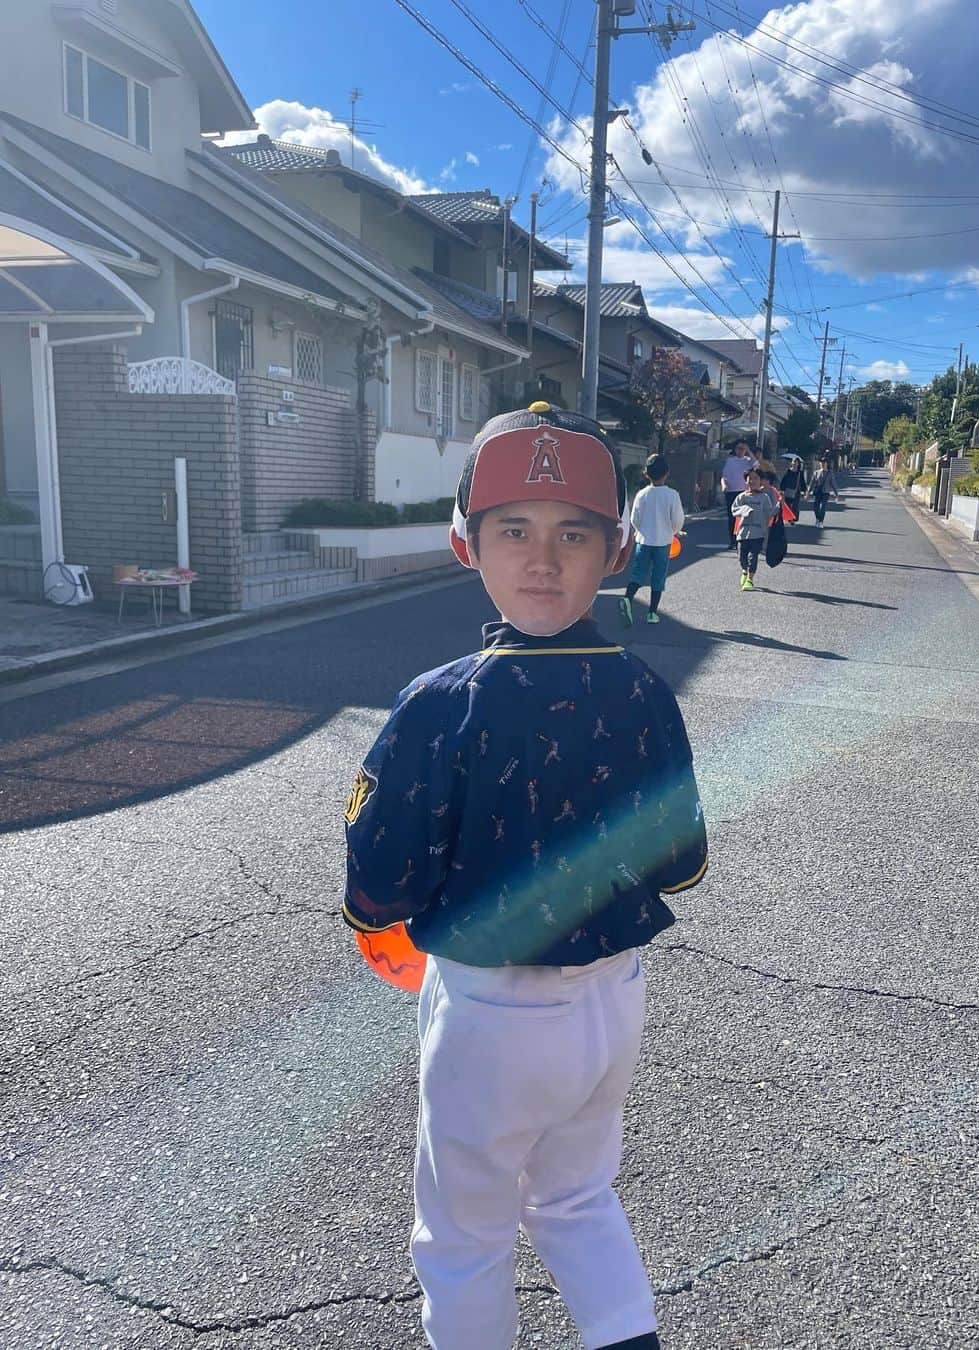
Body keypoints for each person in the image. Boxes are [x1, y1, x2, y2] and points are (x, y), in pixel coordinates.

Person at [342, 402, 709, 1350]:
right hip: (611, 1002)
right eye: (518, 531)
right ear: (472, 544)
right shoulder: (641, 690)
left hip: (489, 1007)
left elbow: (380, 882)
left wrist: (383, 916)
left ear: (612, 549)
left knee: (464, 1233)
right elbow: (682, 862)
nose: (543, 560)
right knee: (579, 1196)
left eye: (570, 534)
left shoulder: (438, 704)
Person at [620, 454, 685, 626]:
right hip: (663, 542)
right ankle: (652, 613)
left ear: (646, 474)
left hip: (643, 540)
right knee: (658, 577)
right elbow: (677, 520)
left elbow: (634, 519)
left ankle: (627, 598)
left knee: (638, 573)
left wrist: (641, 531)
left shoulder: (642, 494)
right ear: (667, 473)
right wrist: (674, 531)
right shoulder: (672, 495)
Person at [731, 466, 776, 591]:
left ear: (760, 480)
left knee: (753, 556)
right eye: (750, 478)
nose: (753, 481)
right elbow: (734, 510)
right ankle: (744, 571)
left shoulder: (764, 497)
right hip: (742, 532)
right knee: (741, 557)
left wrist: (778, 506)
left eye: (756, 478)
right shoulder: (741, 497)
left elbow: (769, 513)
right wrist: (744, 510)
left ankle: (750, 580)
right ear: (746, 480)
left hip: (758, 532)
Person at [720, 441, 755, 549]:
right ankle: (733, 541)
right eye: (738, 448)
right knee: (732, 518)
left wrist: (749, 451)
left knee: (744, 517)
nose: (740, 451)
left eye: (743, 448)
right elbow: (724, 476)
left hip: (744, 492)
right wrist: (723, 485)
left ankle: (743, 539)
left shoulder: (748, 461)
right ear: (735, 449)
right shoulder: (730, 461)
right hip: (731, 492)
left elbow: (757, 465)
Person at [809, 456, 840, 525]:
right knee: (815, 508)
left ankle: (820, 521)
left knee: (823, 507)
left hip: (825, 492)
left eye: (824, 463)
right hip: (818, 492)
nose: (822, 464)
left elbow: (833, 484)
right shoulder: (816, 472)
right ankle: (818, 518)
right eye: (821, 463)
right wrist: (808, 492)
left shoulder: (830, 473)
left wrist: (836, 494)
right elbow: (812, 483)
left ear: (826, 464)